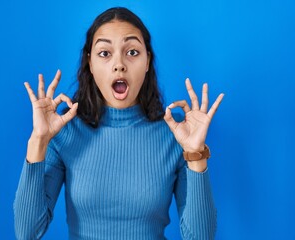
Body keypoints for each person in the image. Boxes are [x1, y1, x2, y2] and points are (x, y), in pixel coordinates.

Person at [14, 6, 224, 240]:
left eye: (132, 52)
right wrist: (38, 141)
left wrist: (195, 154)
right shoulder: (66, 132)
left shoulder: (176, 134)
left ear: (147, 61)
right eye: (105, 53)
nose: (119, 64)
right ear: (90, 63)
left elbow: (201, 237)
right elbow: (27, 232)